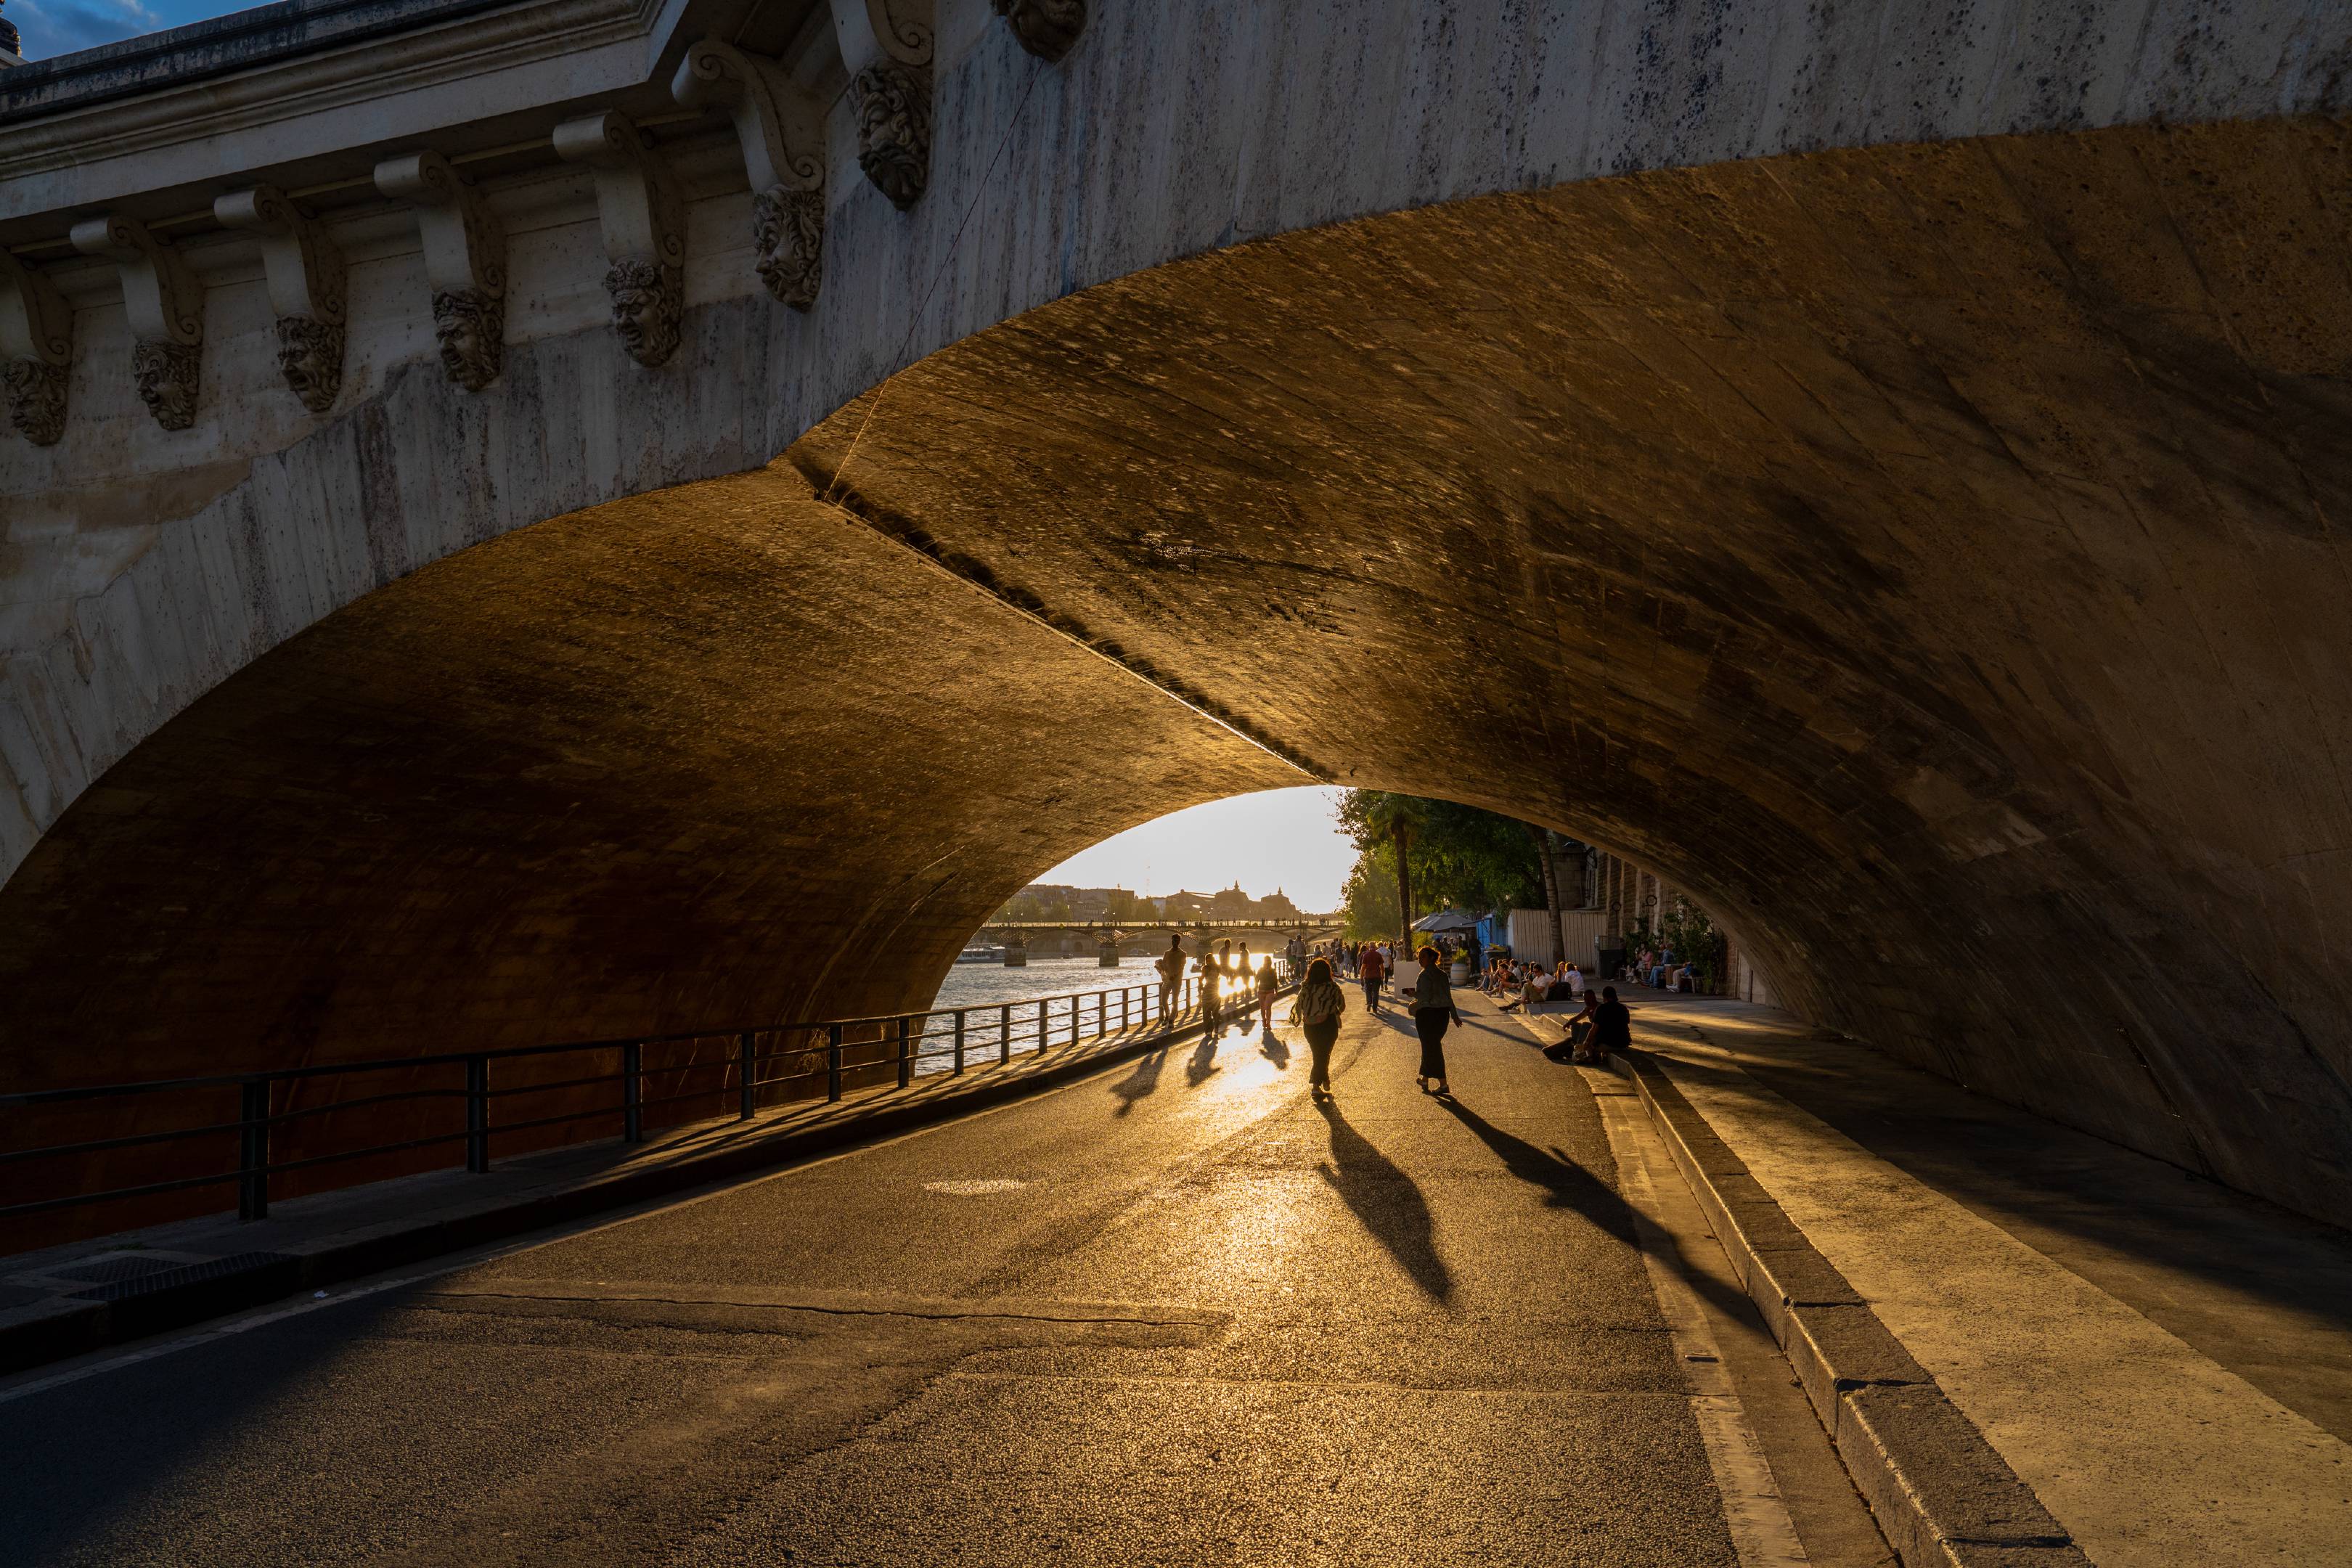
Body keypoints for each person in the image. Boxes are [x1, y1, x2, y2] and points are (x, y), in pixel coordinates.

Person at [1291, 957, 1347, 1096]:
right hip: (1328, 1024)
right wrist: (1334, 1011)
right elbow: (1342, 1005)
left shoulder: (1306, 987)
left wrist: (1305, 1015)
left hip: (1309, 1026)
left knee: (1318, 1054)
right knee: (1324, 1053)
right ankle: (1316, 1086)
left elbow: (1298, 1006)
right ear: (1328, 972)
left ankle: (1325, 1078)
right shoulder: (1332, 987)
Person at [1410, 944, 1461, 1095]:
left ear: (1432, 958)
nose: (1420, 960)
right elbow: (1448, 997)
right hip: (1442, 1016)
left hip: (1427, 1015)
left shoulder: (1425, 975)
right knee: (1431, 1046)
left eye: (1423, 957)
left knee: (1431, 1048)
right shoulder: (1443, 975)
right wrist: (1455, 1016)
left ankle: (1443, 1084)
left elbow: (1425, 997)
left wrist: (1413, 993)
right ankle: (1425, 1079)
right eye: (1419, 957)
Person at [1547, 989, 1599, 1062]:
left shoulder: (1599, 1008)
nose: (1587, 1001)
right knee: (1575, 1025)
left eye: (1589, 999)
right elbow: (1578, 1017)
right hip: (1592, 1032)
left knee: (1586, 1025)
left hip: (1598, 1032)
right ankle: (1576, 1046)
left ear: (1594, 998)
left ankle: (1579, 1050)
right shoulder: (1588, 1009)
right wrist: (1568, 1023)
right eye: (1585, 999)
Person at [1590, 984, 1632, 1064]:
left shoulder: (1601, 1008)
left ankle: (1594, 1058)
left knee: (1591, 1046)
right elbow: (1626, 1026)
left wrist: (1587, 1043)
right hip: (1623, 1043)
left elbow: (1593, 1030)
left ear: (1604, 997)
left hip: (1608, 1043)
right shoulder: (1623, 1008)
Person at [1155, 934, 1186, 1021]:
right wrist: (1159, 967)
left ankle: (1172, 1020)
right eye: (1173, 940)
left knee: (1174, 1001)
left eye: (1176, 941)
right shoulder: (1167, 953)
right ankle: (1168, 1014)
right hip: (1167, 980)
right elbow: (1164, 965)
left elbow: (1182, 967)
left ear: (1179, 942)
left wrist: (1174, 976)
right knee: (1163, 1000)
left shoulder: (1183, 954)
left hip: (1177, 981)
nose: (1174, 942)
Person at [1357, 939, 1385, 1012]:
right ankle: (1375, 1008)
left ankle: (1369, 1002)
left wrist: (1361, 976)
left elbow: (1363, 967)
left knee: (1368, 990)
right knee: (1376, 992)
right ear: (1375, 947)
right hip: (1377, 976)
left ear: (1369, 947)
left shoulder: (1365, 955)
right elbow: (1382, 966)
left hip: (1368, 976)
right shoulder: (1378, 955)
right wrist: (1382, 974)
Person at [1254, 955, 1280, 1034]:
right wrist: (1255, 983)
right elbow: (1257, 979)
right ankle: (1264, 1020)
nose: (1268, 963)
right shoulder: (1260, 970)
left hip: (1270, 991)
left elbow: (1275, 981)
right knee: (1262, 1008)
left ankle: (1268, 1023)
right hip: (1261, 990)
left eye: (1269, 961)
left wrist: (1276, 991)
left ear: (1270, 962)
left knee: (1268, 1007)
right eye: (1267, 961)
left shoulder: (1273, 971)